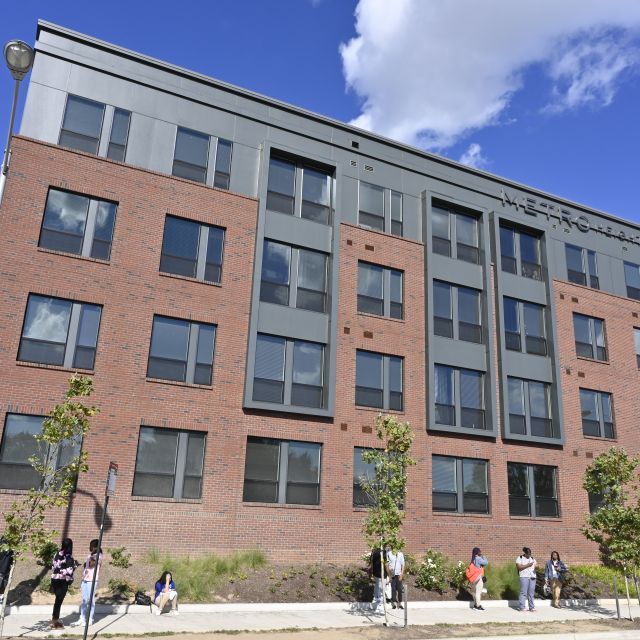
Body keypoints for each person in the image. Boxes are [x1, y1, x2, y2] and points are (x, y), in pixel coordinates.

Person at [71, 539, 102, 627]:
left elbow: (92, 564)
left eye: (91, 546)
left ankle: (90, 619)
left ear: (95, 547)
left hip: (92, 580)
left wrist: (91, 557)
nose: (89, 547)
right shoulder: (91, 555)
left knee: (90, 600)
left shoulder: (98, 555)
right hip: (85, 579)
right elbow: (86, 565)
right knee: (84, 600)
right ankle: (82, 618)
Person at [50, 538, 78, 629]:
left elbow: (53, 565)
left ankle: (55, 619)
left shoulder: (56, 553)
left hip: (54, 579)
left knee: (57, 600)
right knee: (59, 601)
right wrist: (75, 566)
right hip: (62, 581)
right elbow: (69, 571)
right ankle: (55, 620)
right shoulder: (68, 556)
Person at [516, 547, 538, 612]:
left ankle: (531, 607)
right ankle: (522, 607)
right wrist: (528, 565)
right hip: (524, 577)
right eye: (528, 553)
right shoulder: (520, 558)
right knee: (523, 593)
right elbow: (519, 567)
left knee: (531, 593)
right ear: (525, 553)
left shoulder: (532, 558)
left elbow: (536, 565)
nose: (529, 555)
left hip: (532, 577)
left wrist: (537, 567)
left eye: (530, 553)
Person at [369, 547, 384, 612]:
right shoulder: (378, 555)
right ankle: (379, 604)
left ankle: (377, 600)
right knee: (380, 589)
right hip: (379, 574)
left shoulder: (374, 556)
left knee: (379, 588)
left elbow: (372, 566)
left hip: (378, 574)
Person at [0, 538, 13, 605]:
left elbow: (12, 560)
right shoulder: (9, 550)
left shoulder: (10, 550)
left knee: (3, 586)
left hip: (5, 570)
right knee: (2, 585)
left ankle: (1, 599)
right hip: (2, 570)